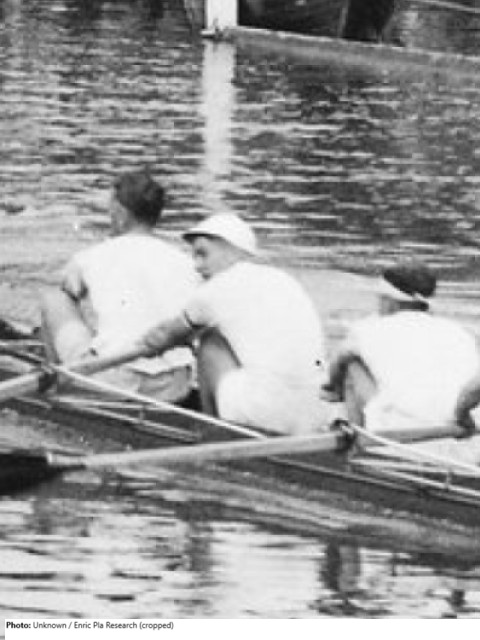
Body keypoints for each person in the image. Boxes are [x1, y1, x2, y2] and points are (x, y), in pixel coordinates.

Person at [137, 212, 329, 434]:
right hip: (313, 414)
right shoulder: (281, 279)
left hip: (269, 412)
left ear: (231, 250)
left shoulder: (219, 287)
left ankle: (210, 433)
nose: (196, 265)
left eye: (203, 254)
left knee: (210, 344)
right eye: (194, 256)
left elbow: (163, 335)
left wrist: (148, 345)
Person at [40, 170, 198, 402]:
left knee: (53, 299)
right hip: (175, 383)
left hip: (116, 380)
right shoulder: (186, 261)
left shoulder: (90, 257)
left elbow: (69, 291)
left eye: (110, 210)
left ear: (121, 215)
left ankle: (55, 384)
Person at [325, 261, 480, 432]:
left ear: (391, 302)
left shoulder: (366, 329)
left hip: (398, 430)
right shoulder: (460, 333)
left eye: (381, 299)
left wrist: (331, 388)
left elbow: (338, 361)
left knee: (350, 363)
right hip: (458, 426)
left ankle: (357, 437)